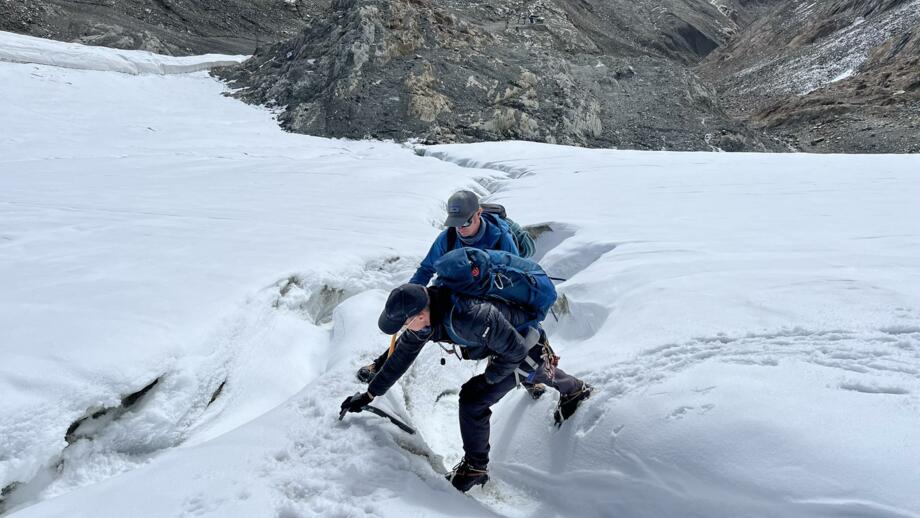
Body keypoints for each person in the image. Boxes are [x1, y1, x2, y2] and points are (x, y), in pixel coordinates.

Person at [340, 284, 593, 492]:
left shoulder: (468, 317)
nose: (407, 330)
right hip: (506, 343)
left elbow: (515, 352)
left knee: (474, 398)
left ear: (418, 315)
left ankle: (475, 468)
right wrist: (370, 394)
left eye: (406, 325)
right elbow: (401, 357)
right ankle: (574, 389)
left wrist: (489, 378)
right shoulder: (429, 312)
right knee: (528, 372)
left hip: (524, 346)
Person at [356, 190, 540, 394]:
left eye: (465, 223)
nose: (460, 229)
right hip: (451, 293)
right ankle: (379, 365)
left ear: (478, 213)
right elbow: (426, 269)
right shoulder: (448, 238)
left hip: (489, 298)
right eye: (455, 223)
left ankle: (532, 380)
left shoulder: (501, 239)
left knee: (511, 339)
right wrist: (408, 300)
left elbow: (514, 277)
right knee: (416, 326)